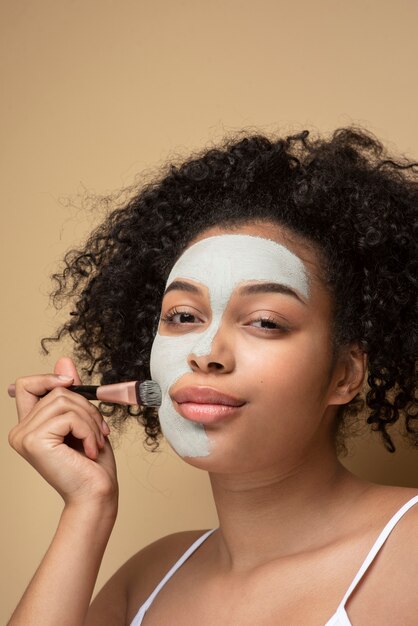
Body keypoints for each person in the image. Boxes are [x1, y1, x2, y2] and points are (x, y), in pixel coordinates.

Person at [7, 127, 418, 625]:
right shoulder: (147, 581)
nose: (206, 354)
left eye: (265, 321)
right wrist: (85, 509)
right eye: (183, 316)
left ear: (346, 375)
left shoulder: (408, 550)